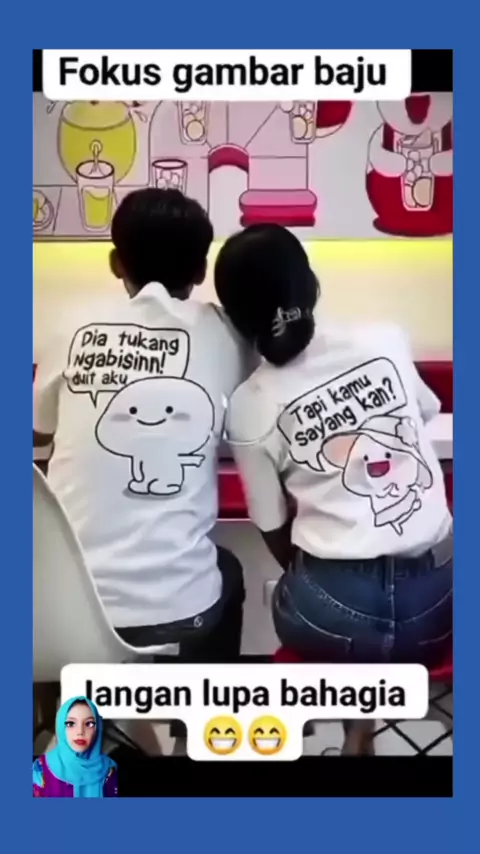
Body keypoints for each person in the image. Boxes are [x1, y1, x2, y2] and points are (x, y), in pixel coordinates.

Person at [214, 224, 452, 754]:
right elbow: (426, 411)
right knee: (372, 618)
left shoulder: (251, 403)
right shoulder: (384, 340)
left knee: (302, 591)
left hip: (332, 619)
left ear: (235, 319)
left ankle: (355, 724)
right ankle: (365, 721)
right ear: (312, 285)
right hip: (437, 610)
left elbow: (273, 530)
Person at [33, 189, 251, 665]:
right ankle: (201, 709)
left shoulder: (69, 326)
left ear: (116, 263)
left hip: (65, 608)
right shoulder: (228, 333)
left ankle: (72, 703)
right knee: (228, 572)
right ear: (201, 271)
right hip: (181, 611)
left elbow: (38, 434)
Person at [33, 696, 117, 797]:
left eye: (89, 724)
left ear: (97, 728)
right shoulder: (40, 768)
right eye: (71, 723)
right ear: (60, 727)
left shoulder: (109, 769)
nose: (80, 732)